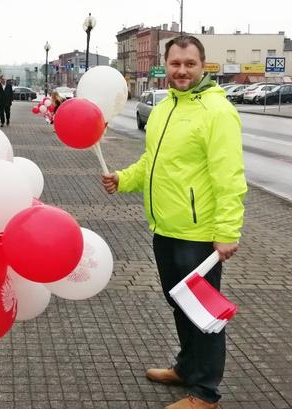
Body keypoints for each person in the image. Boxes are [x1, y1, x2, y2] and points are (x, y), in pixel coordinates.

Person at [101, 35, 246, 409]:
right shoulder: (165, 107)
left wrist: (227, 232)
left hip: (198, 235)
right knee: (179, 303)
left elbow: (229, 177)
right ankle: (186, 368)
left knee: (203, 314)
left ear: (202, 66)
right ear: (166, 65)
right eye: (176, 64)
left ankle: (205, 393)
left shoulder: (217, 111)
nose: (182, 71)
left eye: (190, 64)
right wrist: (124, 178)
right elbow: (153, 163)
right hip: (164, 227)